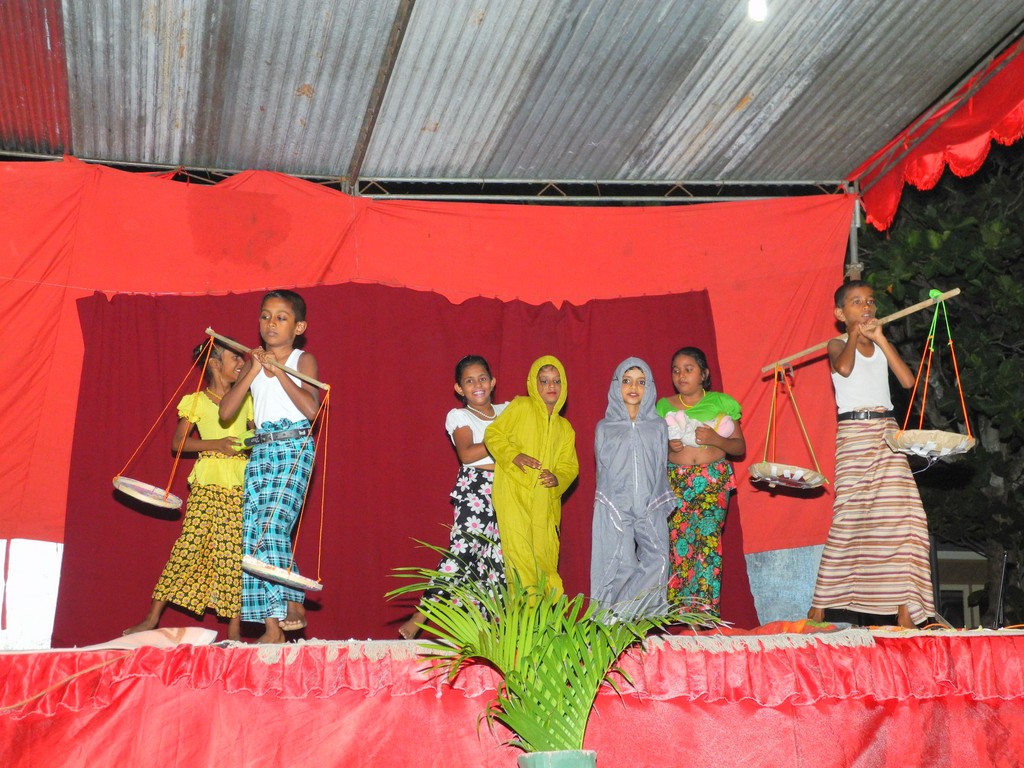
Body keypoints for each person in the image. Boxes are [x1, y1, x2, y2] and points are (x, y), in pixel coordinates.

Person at [808, 281, 935, 628]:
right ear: (840, 313)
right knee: (849, 521)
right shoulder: (836, 344)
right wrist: (853, 334)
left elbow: (907, 381)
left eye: (869, 302)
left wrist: (880, 338)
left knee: (908, 518)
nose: (865, 307)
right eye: (856, 302)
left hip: (886, 433)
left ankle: (905, 610)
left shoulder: (879, 344)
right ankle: (819, 608)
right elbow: (844, 369)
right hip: (854, 435)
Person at [124, 339, 252, 641]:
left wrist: (250, 441)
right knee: (188, 546)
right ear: (214, 363)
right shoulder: (196, 400)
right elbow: (178, 442)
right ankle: (152, 617)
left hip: (239, 484)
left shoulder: (246, 399)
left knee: (233, 554)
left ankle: (234, 630)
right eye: (235, 358)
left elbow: (254, 433)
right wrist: (216, 444)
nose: (241, 364)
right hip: (207, 483)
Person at [219, 289, 320, 644]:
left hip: (294, 446)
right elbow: (226, 412)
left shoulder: (302, 360)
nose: (271, 323)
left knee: (272, 526)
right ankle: (272, 627)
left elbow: (312, 410)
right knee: (252, 536)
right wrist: (254, 370)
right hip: (261, 451)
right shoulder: (253, 362)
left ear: (298, 327)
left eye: (281, 317)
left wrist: (279, 373)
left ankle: (294, 601)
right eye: (265, 316)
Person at [399, 355, 508, 639]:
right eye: (469, 381)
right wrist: (503, 442)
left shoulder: (508, 411)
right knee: (462, 552)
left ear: (493, 382)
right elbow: (467, 454)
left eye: (482, 379)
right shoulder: (459, 416)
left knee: (496, 563)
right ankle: (420, 616)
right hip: (476, 489)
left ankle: (487, 632)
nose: (477, 385)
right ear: (459, 388)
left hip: (507, 491)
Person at [656, 346, 745, 616]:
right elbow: (652, 450)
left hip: (712, 480)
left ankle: (704, 614)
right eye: (676, 370)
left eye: (688, 369)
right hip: (677, 482)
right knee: (680, 544)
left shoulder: (721, 403)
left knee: (707, 542)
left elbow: (739, 447)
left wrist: (716, 439)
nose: (681, 375)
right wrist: (667, 446)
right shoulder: (663, 406)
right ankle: (682, 614)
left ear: (704, 374)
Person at [485, 356, 578, 595]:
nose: (551, 386)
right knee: (521, 563)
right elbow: (493, 434)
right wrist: (514, 455)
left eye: (556, 381)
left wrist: (558, 478)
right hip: (514, 496)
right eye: (544, 381)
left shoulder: (565, 429)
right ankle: (524, 616)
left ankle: (545, 617)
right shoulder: (521, 407)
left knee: (545, 564)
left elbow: (570, 466)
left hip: (544, 503)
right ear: (533, 384)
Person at [591, 357, 674, 617]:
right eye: (627, 381)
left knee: (659, 560)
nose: (634, 387)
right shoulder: (605, 428)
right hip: (616, 507)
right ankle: (607, 621)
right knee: (622, 565)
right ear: (617, 385)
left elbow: (660, 466)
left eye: (641, 382)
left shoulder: (658, 426)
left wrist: (657, 502)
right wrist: (609, 507)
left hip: (650, 505)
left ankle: (620, 614)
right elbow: (602, 470)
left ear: (650, 387)